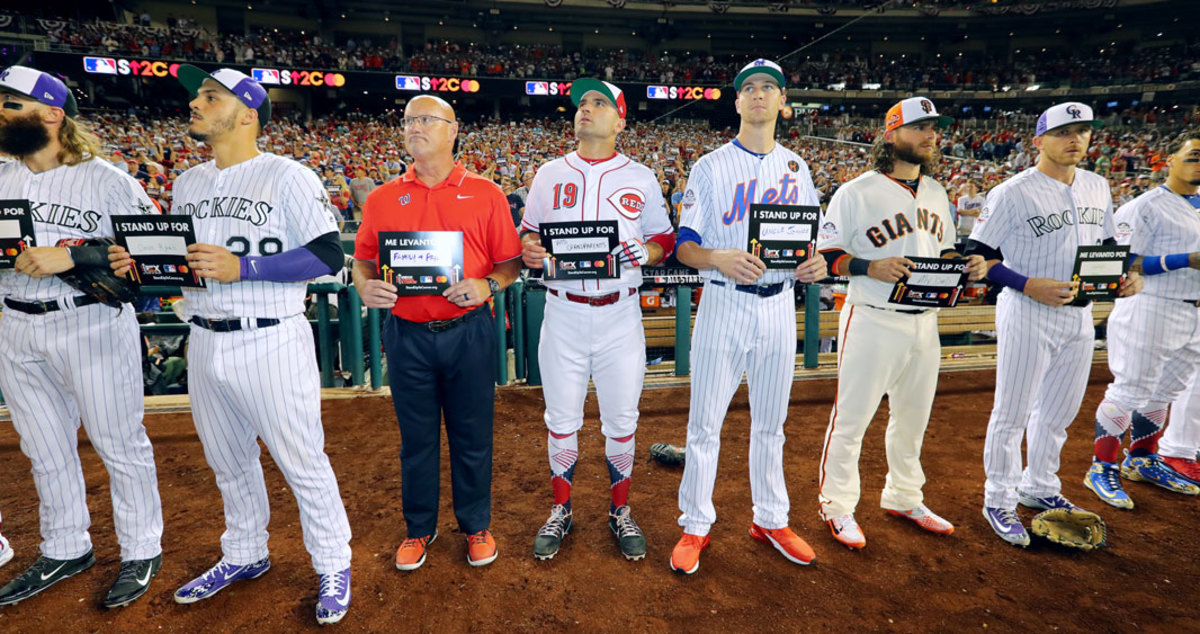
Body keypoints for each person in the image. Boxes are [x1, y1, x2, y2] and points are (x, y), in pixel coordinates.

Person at [110, 66, 353, 624]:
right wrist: (142, 268)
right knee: (228, 462)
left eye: (210, 95)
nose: (196, 102)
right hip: (204, 336)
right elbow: (182, 267)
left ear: (246, 113)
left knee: (301, 461)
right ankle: (245, 553)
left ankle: (333, 563)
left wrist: (247, 266)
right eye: (198, 95)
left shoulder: (287, 174)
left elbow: (328, 254)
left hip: (269, 337)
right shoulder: (189, 182)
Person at [0, 65, 164, 608]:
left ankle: (142, 549)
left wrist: (74, 255)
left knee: (119, 443)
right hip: (16, 325)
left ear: (51, 113)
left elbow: (156, 256)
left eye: (10, 102)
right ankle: (66, 546)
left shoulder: (107, 180)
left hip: (88, 319)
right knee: (44, 449)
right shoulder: (0, 175)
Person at [351, 95, 521, 572]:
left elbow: (509, 265)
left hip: (469, 331)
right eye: (408, 120)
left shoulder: (486, 193)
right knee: (416, 438)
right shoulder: (383, 197)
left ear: (453, 129)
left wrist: (488, 283)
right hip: (405, 332)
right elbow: (363, 260)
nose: (414, 127)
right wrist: (365, 287)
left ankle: (476, 525)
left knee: (472, 434)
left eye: (426, 119)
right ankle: (418, 528)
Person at [671, 59, 827, 574]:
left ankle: (771, 518)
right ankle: (695, 525)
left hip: (780, 303)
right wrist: (718, 256)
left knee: (772, 425)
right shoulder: (711, 167)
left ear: (783, 102)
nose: (758, 94)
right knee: (704, 425)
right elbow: (684, 248)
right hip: (724, 301)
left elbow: (810, 242)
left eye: (769, 88)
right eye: (749, 88)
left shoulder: (798, 168)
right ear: (736, 102)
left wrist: (814, 263)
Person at [967, 102, 1143, 547]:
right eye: (1065, 131)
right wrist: (1026, 284)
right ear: (1038, 140)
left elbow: (1105, 246)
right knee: (1012, 412)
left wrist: (1123, 278)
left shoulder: (1098, 185)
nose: (1075, 139)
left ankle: (1040, 485)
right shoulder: (1012, 191)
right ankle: (999, 499)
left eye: (1083, 130)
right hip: (1028, 312)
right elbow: (978, 259)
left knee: (1059, 413)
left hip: (1080, 314)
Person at [816, 97, 987, 550]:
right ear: (891, 135)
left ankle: (904, 496)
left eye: (934, 128)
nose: (932, 135)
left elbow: (944, 250)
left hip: (925, 321)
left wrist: (962, 264)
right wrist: (869, 266)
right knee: (851, 421)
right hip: (873, 317)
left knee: (913, 419)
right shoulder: (855, 191)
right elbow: (828, 256)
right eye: (921, 127)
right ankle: (836, 506)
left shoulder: (936, 192)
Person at [519, 79, 675, 561]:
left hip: (619, 312)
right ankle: (561, 509)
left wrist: (644, 252)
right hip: (563, 309)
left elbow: (664, 242)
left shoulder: (642, 177)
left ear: (620, 121)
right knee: (561, 420)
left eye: (599, 103)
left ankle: (619, 510)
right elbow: (528, 238)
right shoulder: (548, 174)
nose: (586, 109)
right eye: (582, 103)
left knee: (621, 421)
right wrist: (528, 250)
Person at [1084, 130, 1200, 508]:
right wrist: (1183, 259)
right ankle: (1101, 467)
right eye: (1193, 156)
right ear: (1168, 161)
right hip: (1151, 304)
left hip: (1193, 308)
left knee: (1166, 391)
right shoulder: (1145, 206)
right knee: (1131, 388)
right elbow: (1119, 262)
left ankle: (1143, 458)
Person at [955, 180, 985, 249]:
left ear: (976, 189)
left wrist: (967, 212)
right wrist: (975, 211)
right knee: (961, 249)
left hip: (976, 230)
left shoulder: (981, 199)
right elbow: (961, 212)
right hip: (963, 229)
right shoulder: (961, 199)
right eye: (968, 187)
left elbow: (982, 214)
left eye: (971, 187)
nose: (969, 188)